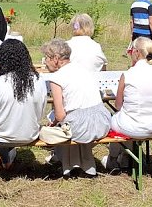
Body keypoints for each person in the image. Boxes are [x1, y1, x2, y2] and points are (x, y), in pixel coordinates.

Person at [39, 39, 111, 177]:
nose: (45, 62)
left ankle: (68, 166)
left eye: (46, 58)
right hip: (102, 121)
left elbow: (60, 115)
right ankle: (85, 165)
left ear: (55, 59)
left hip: (80, 126)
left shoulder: (57, 78)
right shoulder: (84, 70)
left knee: (59, 127)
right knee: (70, 121)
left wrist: (54, 122)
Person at [102, 37, 152, 170]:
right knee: (124, 119)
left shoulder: (128, 74)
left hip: (134, 128)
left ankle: (114, 158)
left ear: (137, 52)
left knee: (115, 119)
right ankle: (127, 157)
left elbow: (118, 106)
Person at [0, 40, 48, 170]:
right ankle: (8, 157)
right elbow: (41, 113)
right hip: (29, 135)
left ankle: (5, 159)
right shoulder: (38, 80)